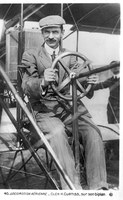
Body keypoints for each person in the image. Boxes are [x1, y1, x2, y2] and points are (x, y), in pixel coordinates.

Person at [21, 15, 108, 190]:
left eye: (55, 32)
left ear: (62, 33)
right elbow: (26, 85)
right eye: (47, 32)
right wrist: (42, 82)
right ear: (42, 33)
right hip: (45, 110)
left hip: (71, 107)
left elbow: (83, 87)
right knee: (58, 134)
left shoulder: (71, 57)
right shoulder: (31, 55)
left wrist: (89, 81)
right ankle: (72, 188)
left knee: (93, 132)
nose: (51, 36)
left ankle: (99, 187)